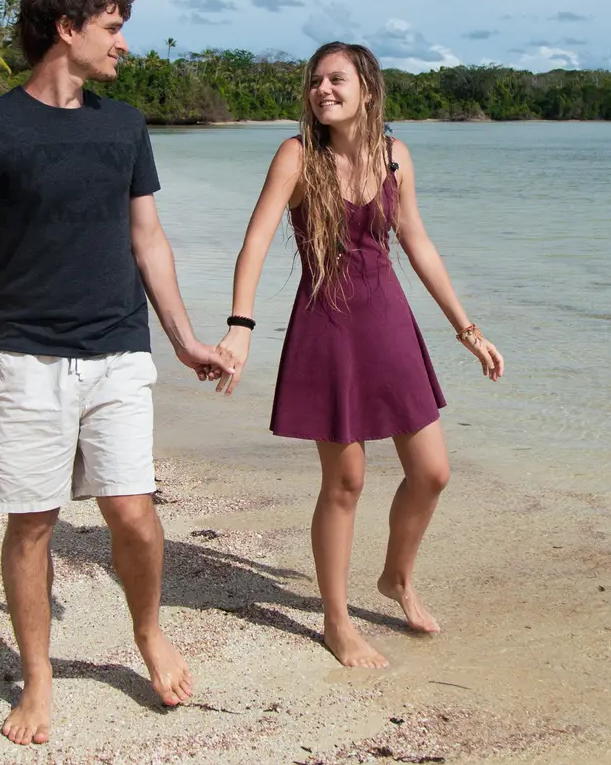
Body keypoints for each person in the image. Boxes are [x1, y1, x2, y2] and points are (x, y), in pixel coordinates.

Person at [0, 0, 231, 745]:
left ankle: (147, 633)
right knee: (32, 524)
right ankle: (40, 674)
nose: (123, 43)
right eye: (113, 27)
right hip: (27, 358)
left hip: (118, 351)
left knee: (134, 513)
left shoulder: (123, 125)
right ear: (67, 28)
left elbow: (148, 240)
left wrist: (185, 338)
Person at [214, 41, 504, 668]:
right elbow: (256, 241)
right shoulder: (297, 157)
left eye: (337, 79)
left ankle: (397, 577)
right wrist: (240, 326)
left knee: (432, 471)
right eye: (316, 81)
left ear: (367, 88)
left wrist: (467, 328)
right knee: (345, 482)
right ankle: (337, 621)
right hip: (328, 327)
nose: (324, 90)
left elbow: (418, 242)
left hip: (390, 323)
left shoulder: (395, 157)